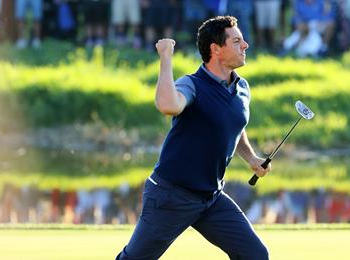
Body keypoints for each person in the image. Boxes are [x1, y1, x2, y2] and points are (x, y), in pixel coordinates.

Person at [116, 16, 271, 260]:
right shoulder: (192, 85)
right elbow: (168, 104)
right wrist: (166, 57)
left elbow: (234, 124)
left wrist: (251, 157)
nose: (246, 45)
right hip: (171, 197)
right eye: (237, 41)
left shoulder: (242, 88)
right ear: (216, 49)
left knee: (255, 255)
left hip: (211, 198)